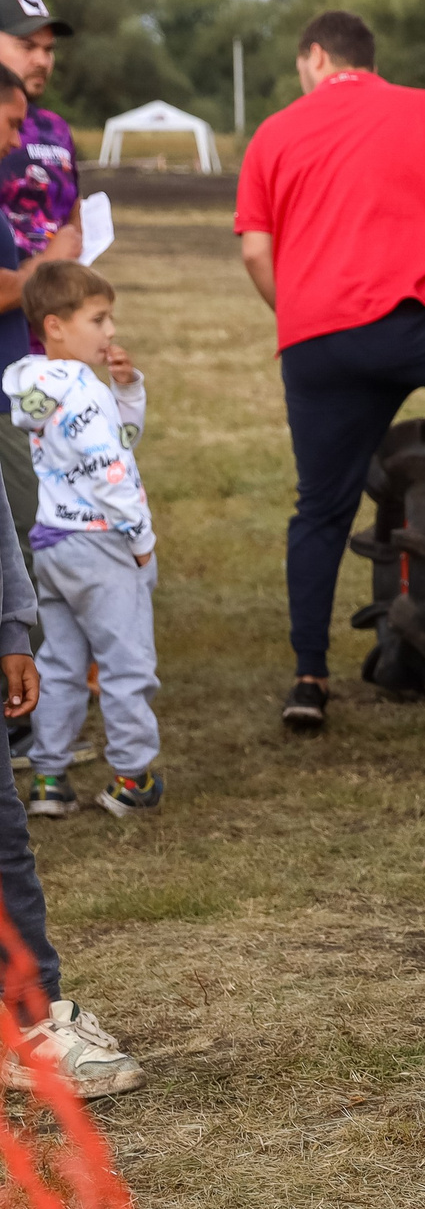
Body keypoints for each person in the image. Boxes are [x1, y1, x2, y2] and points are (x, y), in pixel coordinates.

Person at [235, 10, 425, 733]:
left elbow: (256, 254)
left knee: (319, 510)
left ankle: (308, 677)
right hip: (408, 326)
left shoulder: (272, 132)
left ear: (316, 57)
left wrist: (297, 315)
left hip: (315, 343)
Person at [0, 77, 138, 1098]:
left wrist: (12, 613)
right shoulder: (67, 383)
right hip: (88, 541)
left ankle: (30, 1010)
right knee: (117, 666)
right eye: (8, 125)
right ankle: (26, 1025)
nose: (21, 145)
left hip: (30, 551)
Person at [8, 261, 158, 817]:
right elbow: (109, 466)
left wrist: (128, 387)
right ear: (55, 326)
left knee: (62, 660)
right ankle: (131, 775)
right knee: (127, 660)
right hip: (101, 544)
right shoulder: (85, 395)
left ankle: (49, 777)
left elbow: (119, 437)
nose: (111, 331)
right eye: (98, 319)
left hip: (54, 544)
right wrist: (140, 539)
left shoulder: (43, 385)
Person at [0, 0, 85, 567]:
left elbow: (73, 217)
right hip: (6, 347)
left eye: (49, 49)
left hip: (50, 349)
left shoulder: (55, 129)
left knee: (57, 507)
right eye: (26, 45)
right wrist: (42, 269)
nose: (41, 60)